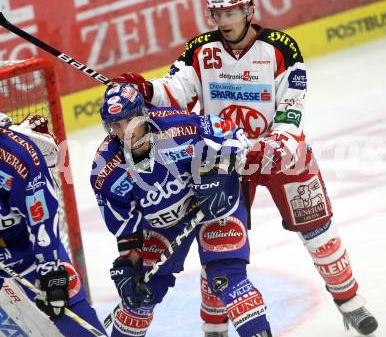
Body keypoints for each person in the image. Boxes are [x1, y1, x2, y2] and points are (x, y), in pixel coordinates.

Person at [110, 0, 379, 336]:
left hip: (280, 156)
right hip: (223, 160)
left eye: (231, 13)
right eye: (216, 14)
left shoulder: (281, 48)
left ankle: (350, 301)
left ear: (250, 8)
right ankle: (214, 324)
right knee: (219, 244)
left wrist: (267, 147)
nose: (223, 21)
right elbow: (173, 89)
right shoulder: (201, 49)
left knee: (317, 228)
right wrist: (144, 88)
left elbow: (290, 111)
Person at [90, 83, 272, 337]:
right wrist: (127, 267)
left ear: (143, 114)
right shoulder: (106, 170)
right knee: (141, 295)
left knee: (227, 277)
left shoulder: (180, 126)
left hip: (213, 202)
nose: (126, 131)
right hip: (162, 223)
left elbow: (235, 137)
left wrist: (217, 176)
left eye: (130, 119)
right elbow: (126, 227)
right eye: (116, 124)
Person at [0, 113, 107, 336]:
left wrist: (50, 270)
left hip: (30, 253)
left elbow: (42, 218)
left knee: (71, 315)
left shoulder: (17, 157)